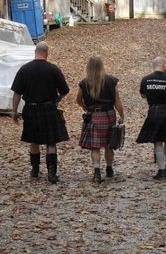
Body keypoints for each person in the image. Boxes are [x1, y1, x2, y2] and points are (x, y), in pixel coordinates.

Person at [11, 41, 69, 184]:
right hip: (49, 108)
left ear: (35, 53)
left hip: (31, 109)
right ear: (47, 53)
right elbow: (64, 90)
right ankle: (51, 173)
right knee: (51, 141)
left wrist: (14, 111)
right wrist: (56, 100)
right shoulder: (53, 69)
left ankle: (35, 170)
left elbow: (17, 93)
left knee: (34, 140)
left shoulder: (24, 69)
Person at [77, 56, 124, 183]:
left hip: (93, 116)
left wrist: (84, 107)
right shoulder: (111, 81)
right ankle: (109, 169)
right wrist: (122, 115)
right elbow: (117, 101)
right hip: (109, 115)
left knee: (95, 147)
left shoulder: (84, 83)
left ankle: (97, 172)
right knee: (109, 145)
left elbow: (78, 100)